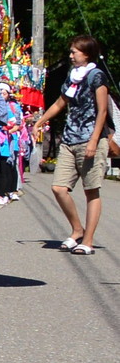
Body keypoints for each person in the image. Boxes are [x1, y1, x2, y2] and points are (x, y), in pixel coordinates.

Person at [32, 36, 110, 254]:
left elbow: (102, 111)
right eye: (71, 51)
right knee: (58, 188)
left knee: (91, 190)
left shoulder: (96, 76)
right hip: (69, 139)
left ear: (87, 54)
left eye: (75, 52)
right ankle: (77, 230)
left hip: (91, 140)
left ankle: (88, 241)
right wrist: (39, 122)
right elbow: (60, 103)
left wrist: (94, 140)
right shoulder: (72, 76)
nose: (71, 55)